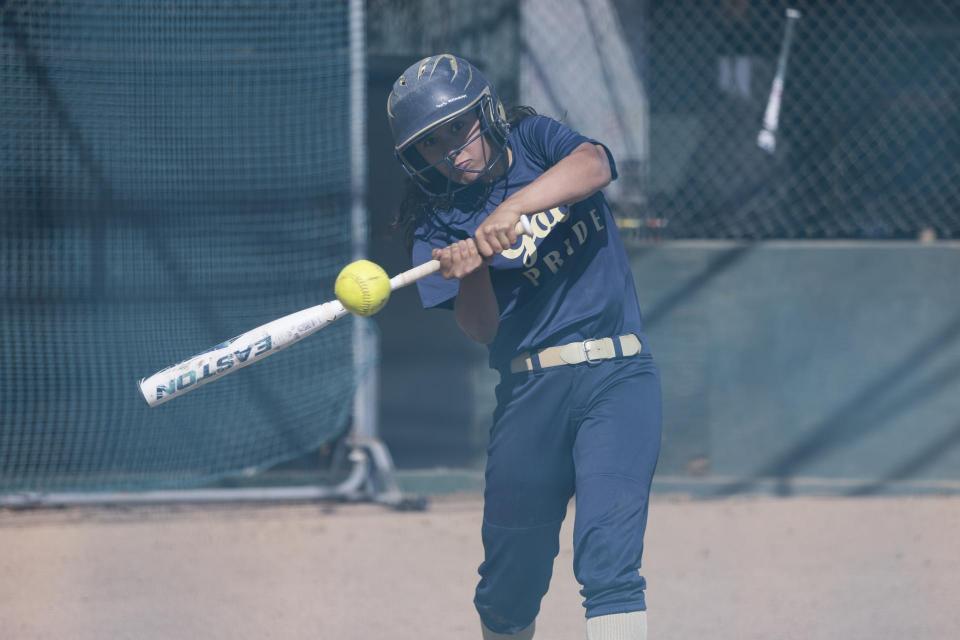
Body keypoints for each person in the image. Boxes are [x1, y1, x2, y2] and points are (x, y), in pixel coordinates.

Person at [387, 54, 662, 640]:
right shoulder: (438, 228)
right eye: (430, 145)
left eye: (457, 129)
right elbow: (481, 329)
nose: (450, 151)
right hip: (530, 391)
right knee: (510, 589)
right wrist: (473, 269)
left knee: (610, 560)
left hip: (617, 373)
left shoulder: (535, 141)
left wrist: (513, 207)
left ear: (485, 112)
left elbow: (596, 164)